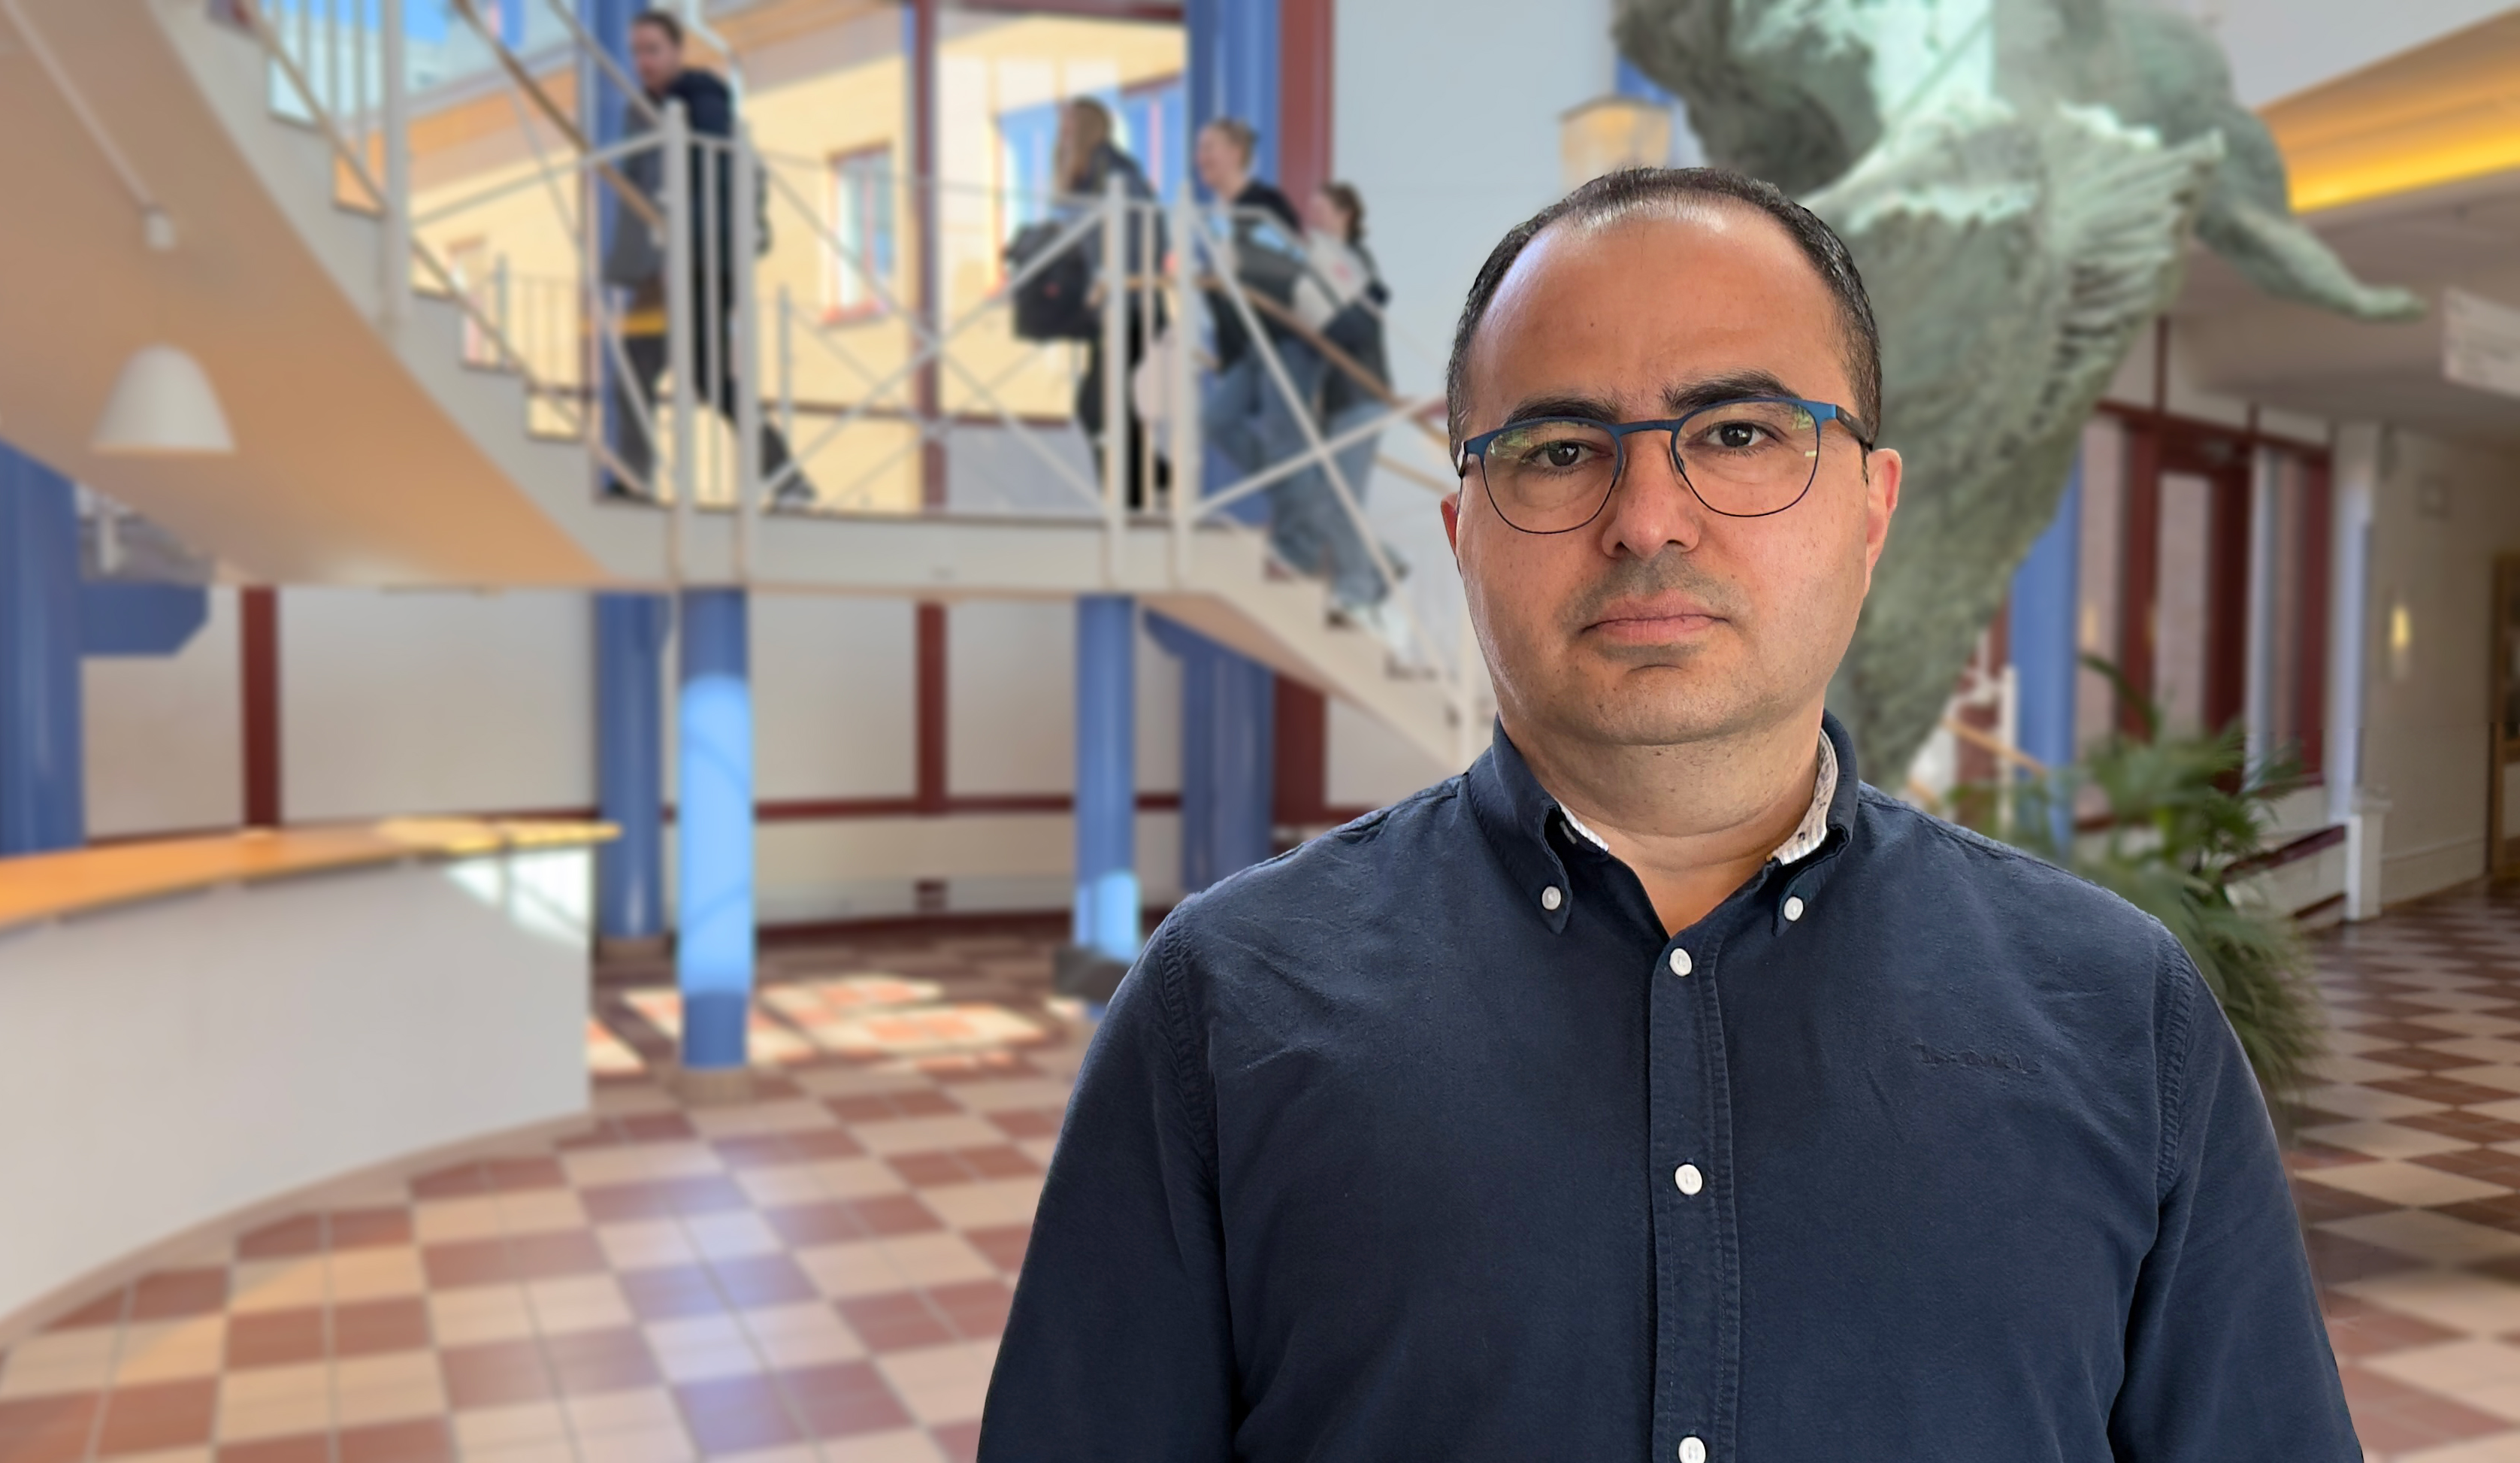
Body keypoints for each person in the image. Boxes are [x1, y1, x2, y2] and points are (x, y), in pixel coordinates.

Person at [981, 168, 2355, 1459]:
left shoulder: (2120, 1012)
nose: (1647, 516)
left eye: (1739, 433)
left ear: (1872, 509)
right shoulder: (1222, 1008)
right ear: (1463, 534)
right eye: (1558, 449)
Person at [604, 10, 801, 505]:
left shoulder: (699, 100)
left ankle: (783, 475)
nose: (643, 61)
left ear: (677, 51)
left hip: (700, 263)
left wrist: (687, 253)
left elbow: (712, 179)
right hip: (662, 266)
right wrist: (631, 263)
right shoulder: (643, 112)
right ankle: (637, 478)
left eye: (653, 49)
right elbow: (642, 194)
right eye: (636, 51)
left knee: (699, 373)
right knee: (647, 367)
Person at [1192, 120, 1334, 577]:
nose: (1202, 157)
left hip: (1287, 340)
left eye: (1210, 147)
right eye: (1200, 149)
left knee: (1288, 446)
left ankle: (1300, 548)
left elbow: (1287, 264)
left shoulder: (1263, 207)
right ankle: (1303, 501)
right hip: (1250, 350)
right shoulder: (1214, 217)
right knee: (1216, 420)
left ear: (1237, 152)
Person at [1293, 179, 1393, 619]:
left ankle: (1358, 586)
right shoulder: (1330, 264)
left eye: (1322, 212)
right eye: (1311, 213)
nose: (1313, 221)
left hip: (1359, 397)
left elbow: (1354, 327)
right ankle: (1378, 564)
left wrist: (1315, 327)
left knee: (1340, 501)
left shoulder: (1351, 264)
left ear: (1345, 216)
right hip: (1342, 400)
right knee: (1326, 499)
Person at [1057, 98, 1163, 511]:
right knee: (1111, 407)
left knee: (1100, 407)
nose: (1063, 135)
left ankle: (1134, 496)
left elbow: (1144, 235)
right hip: (1110, 313)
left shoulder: (1116, 174)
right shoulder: (1088, 179)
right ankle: (1136, 490)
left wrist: (1111, 279)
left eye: (1069, 126)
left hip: (1132, 310)